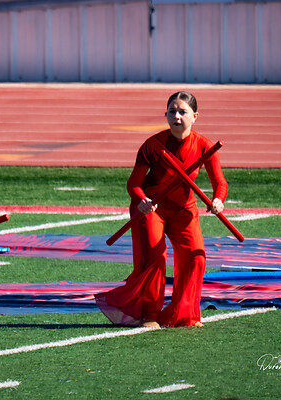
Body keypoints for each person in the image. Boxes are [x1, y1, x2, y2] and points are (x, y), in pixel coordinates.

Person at [95, 91, 228, 329]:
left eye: (183, 112)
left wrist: (218, 200)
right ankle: (150, 314)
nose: (176, 116)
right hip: (151, 208)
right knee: (155, 258)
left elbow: (220, 183)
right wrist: (142, 200)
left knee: (196, 258)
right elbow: (133, 184)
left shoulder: (204, 146)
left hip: (184, 209)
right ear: (165, 114)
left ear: (195, 116)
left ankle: (185, 315)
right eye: (172, 111)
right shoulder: (152, 145)